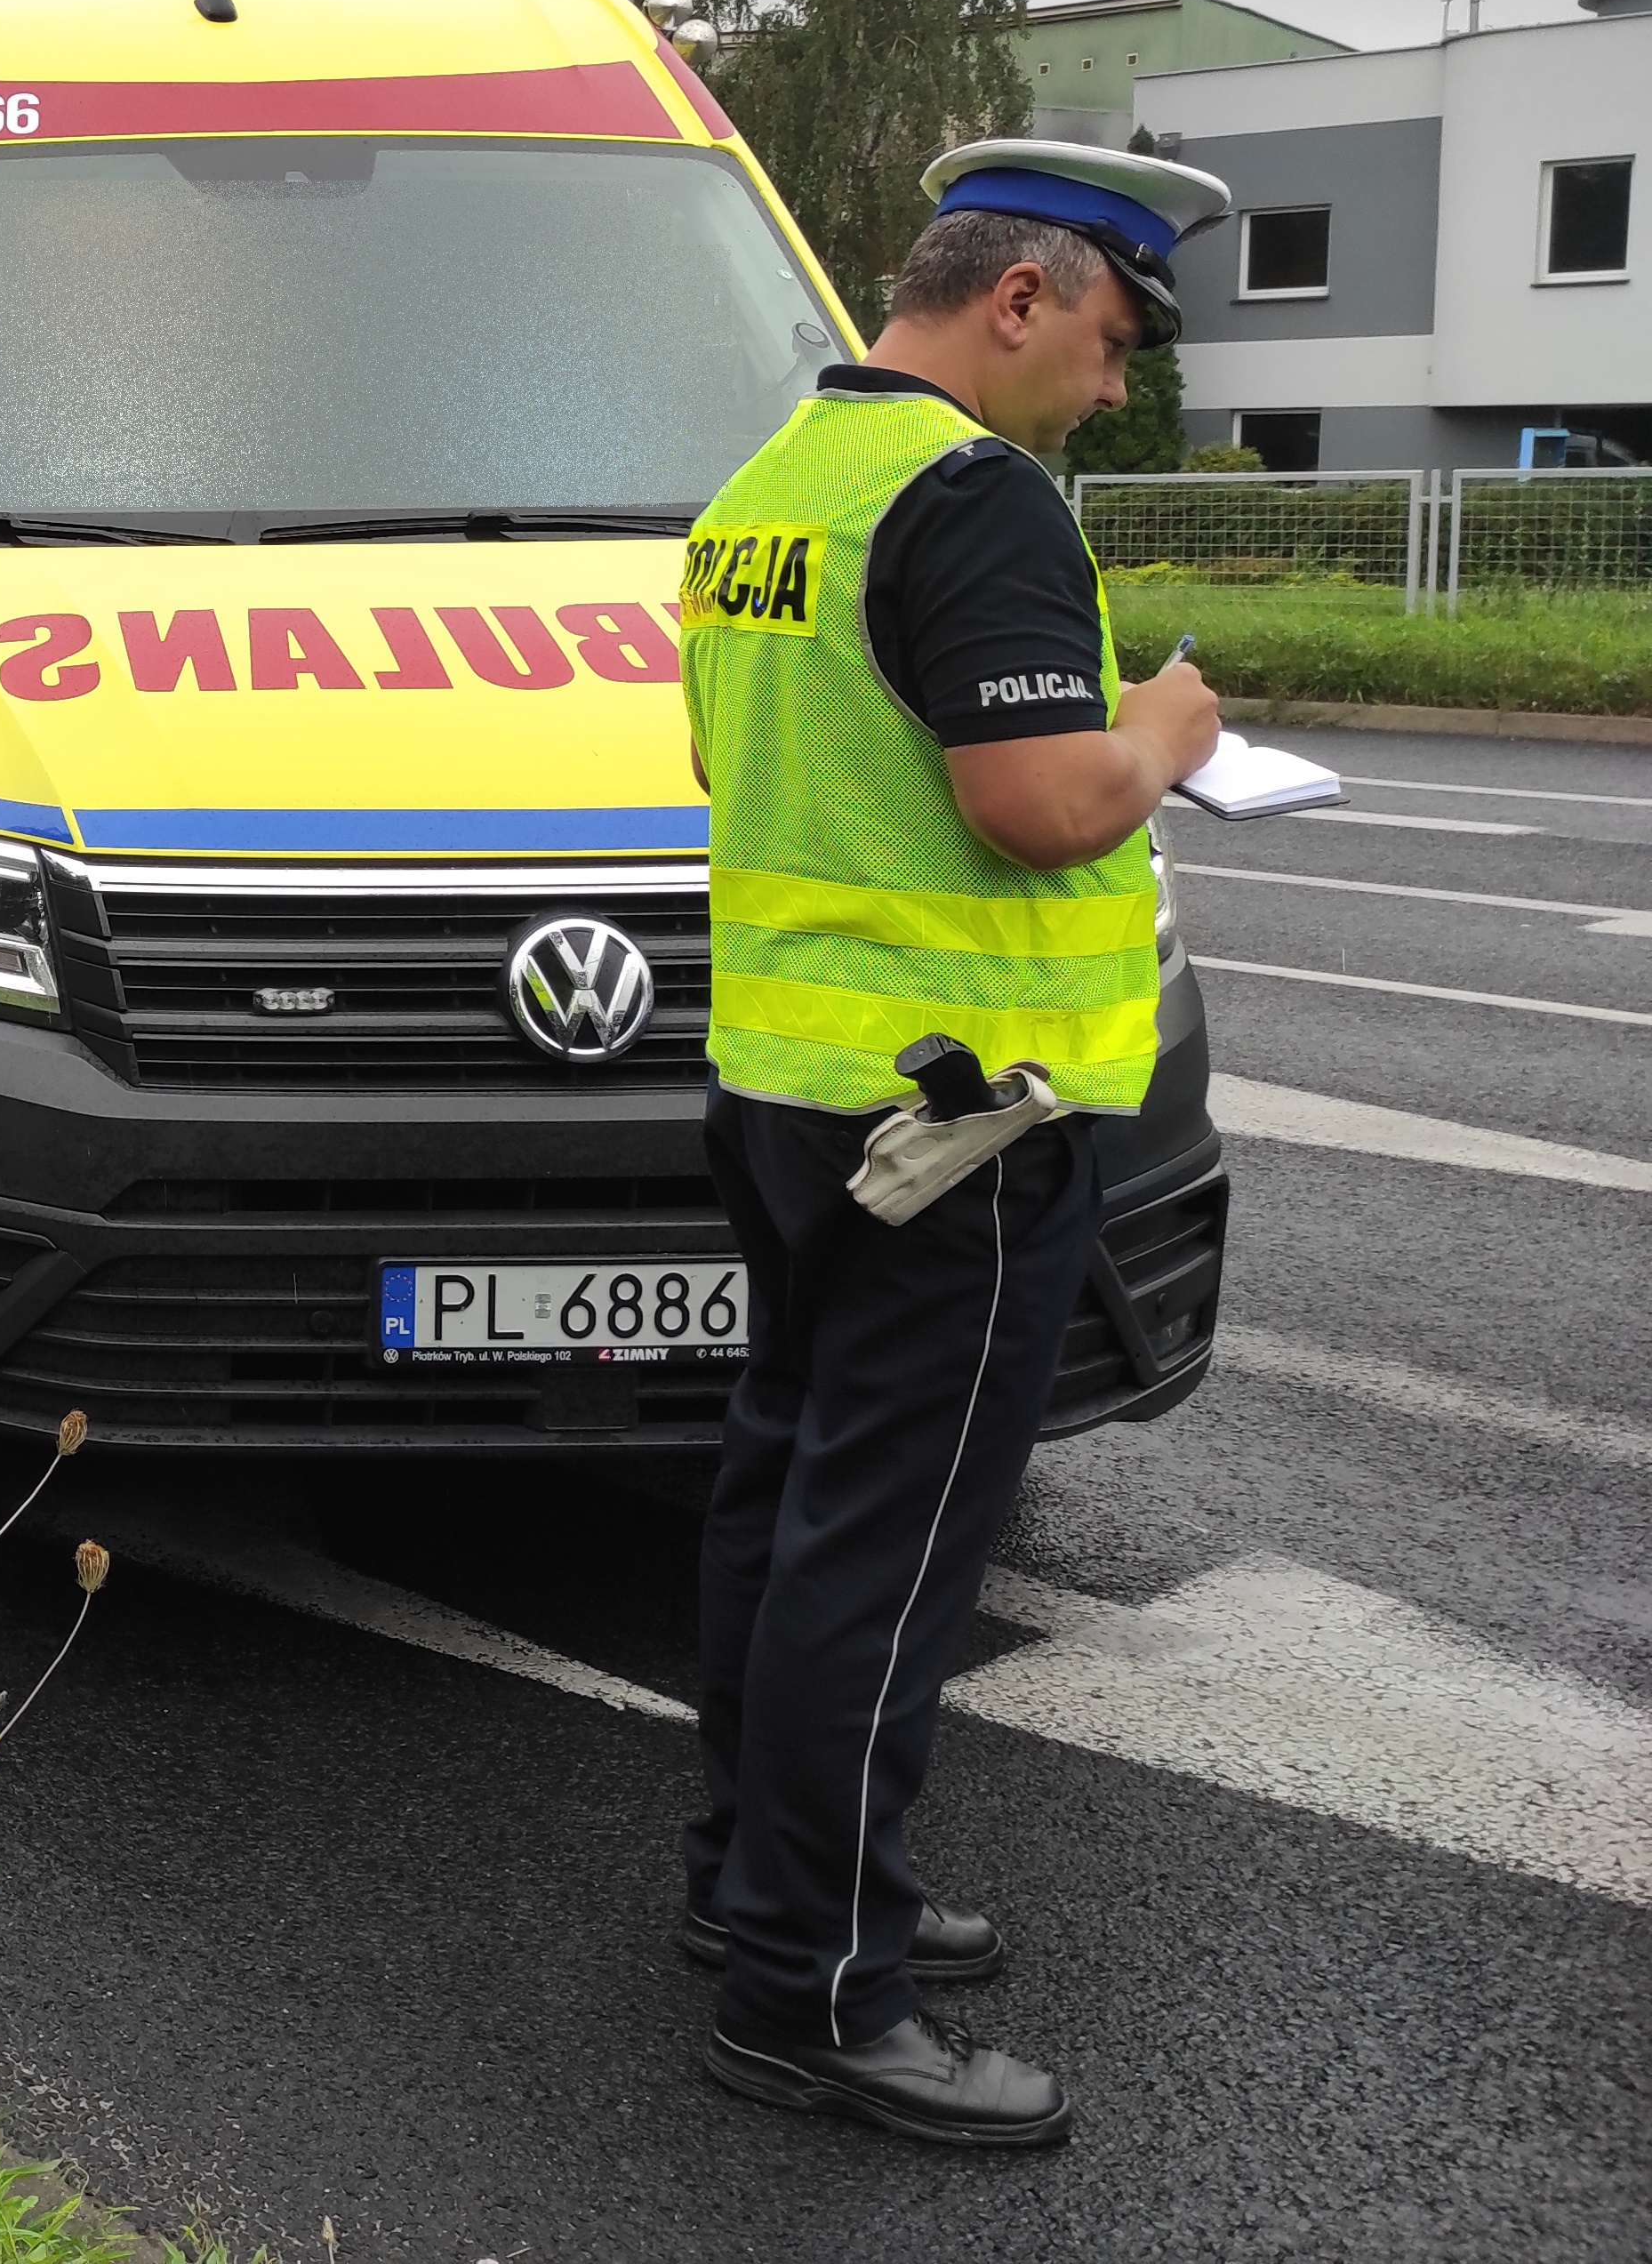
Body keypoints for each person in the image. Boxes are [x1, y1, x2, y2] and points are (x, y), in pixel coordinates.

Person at [676, 138, 1233, 2148]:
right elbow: (1028, 802)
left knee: (779, 1496)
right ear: (1015, 298)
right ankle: (810, 1993)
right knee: (884, 1557)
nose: (1104, 391)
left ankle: (748, 1881)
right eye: (1103, 342)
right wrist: (1156, 736)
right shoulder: (967, 493)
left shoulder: (762, 495)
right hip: (955, 1126)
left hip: (785, 1093)